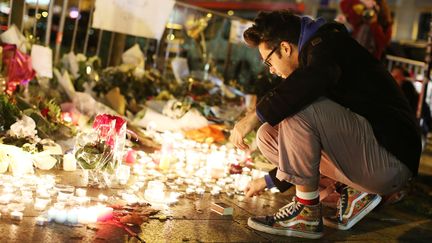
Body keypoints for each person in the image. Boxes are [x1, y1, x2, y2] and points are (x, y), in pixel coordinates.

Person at [229, 11, 421, 239]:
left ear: (286, 48)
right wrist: (270, 180)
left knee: (296, 107)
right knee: (268, 135)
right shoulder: (316, 54)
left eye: (269, 61)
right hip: (371, 159)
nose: (270, 70)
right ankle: (349, 190)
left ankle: (306, 213)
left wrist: (253, 116)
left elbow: (310, 84)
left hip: (391, 160)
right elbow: (307, 148)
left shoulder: (327, 45)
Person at [391, 66, 432, 144]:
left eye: (397, 77)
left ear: (405, 79)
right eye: (392, 76)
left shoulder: (413, 97)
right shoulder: (390, 92)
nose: (393, 79)